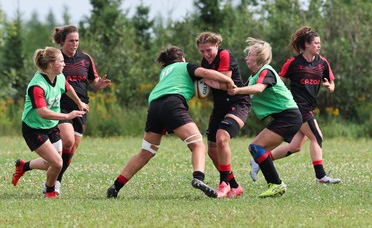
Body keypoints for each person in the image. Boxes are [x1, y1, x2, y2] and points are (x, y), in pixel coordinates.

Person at [106, 46, 236, 199]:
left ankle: (116, 186)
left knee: (146, 152)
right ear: (182, 58)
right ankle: (198, 178)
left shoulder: (165, 72)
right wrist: (228, 80)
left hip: (154, 106)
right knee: (197, 144)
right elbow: (206, 73)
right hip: (172, 103)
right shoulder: (185, 66)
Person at [249, 26, 341, 184]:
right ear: (307, 45)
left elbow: (331, 84)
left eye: (320, 43)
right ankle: (321, 176)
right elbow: (278, 82)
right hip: (298, 107)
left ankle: (261, 160)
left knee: (296, 146)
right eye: (316, 43)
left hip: (310, 107)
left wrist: (329, 87)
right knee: (317, 137)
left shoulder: (323, 63)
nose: (319, 46)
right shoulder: (293, 63)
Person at [227, 37, 302, 197]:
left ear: (259, 57)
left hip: (289, 117)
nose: (247, 58)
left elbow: (259, 89)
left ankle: (276, 184)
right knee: (255, 149)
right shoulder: (254, 76)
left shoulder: (266, 71)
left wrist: (237, 90)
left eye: (250, 55)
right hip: (284, 117)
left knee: (257, 148)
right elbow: (242, 93)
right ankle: (274, 184)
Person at [12, 47, 88, 199]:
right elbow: (43, 112)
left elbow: (68, 87)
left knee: (51, 164)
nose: (64, 64)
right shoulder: (37, 86)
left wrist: (79, 103)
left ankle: (23, 166)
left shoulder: (58, 77)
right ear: (52, 64)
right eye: (61, 61)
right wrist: (67, 116)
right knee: (58, 163)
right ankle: (50, 191)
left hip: (51, 126)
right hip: (34, 129)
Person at [47, 25, 111, 195]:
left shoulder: (85, 58)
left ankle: (52, 179)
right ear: (62, 41)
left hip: (82, 107)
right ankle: (53, 184)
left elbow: (93, 81)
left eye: (77, 40)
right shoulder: (57, 59)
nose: (74, 44)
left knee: (72, 149)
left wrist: (99, 84)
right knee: (67, 141)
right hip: (61, 106)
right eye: (71, 41)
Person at [195, 32, 251, 198]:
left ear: (217, 45)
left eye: (209, 50)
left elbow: (225, 81)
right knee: (212, 150)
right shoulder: (205, 61)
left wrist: (205, 79)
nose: (206, 54)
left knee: (222, 138)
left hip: (238, 103)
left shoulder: (224, 54)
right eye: (202, 51)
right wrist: (209, 80)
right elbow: (215, 83)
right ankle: (234, 186)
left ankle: (223, 184)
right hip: (219, 107)